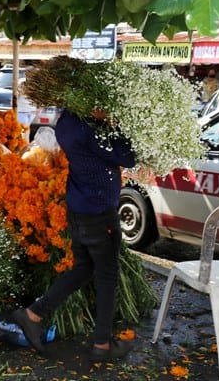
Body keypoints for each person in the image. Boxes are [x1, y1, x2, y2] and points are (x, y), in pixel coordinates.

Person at [12, 108, 136, 363]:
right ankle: (102, 344)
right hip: (99, 211)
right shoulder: (90, 131)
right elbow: (128, 156)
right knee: (106, 276)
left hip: (78, 208)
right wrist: (116, 124)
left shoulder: (67, 121)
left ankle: (33, 314)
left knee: (84, 268)